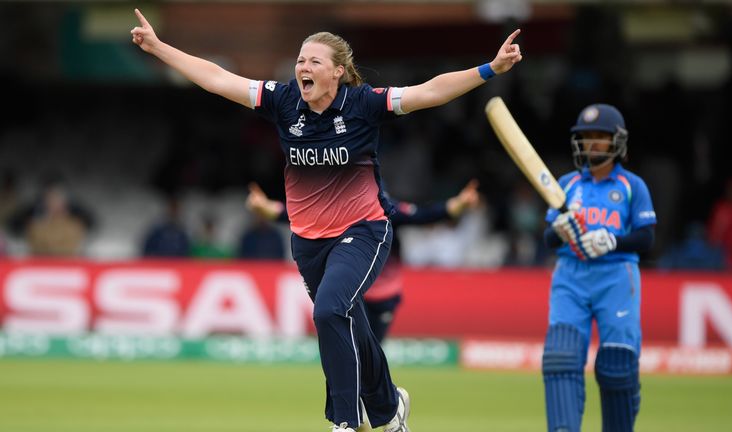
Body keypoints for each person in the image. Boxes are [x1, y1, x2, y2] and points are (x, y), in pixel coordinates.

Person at [131, 9, 522, 432]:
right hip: (308, 241)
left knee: (329, 311)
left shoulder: (364, 103)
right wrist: (159, 47)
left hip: (364, 231)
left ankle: (344, 422)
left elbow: (430, 92)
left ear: (338, 72)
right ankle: (390, 409)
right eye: (300, 60)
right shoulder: (283, 102)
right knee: (349, 320)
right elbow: (216, 78)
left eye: (314, 61)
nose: (303, 67)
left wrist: (490, 68)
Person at [541, 104, 656, 432]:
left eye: (600, 137)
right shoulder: (566, 184)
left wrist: (613, 242)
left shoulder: (633, 185)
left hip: (616, 276)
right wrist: (560, 230)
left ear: (617, 141)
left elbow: (647, 238)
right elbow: (549, 238)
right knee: (560, 359)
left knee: (617, 367)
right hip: (570, 275)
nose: (591, 143)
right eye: (586, 136)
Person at [246, 180, 480, 341]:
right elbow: (295, 213)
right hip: (353, 295)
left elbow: (425, 214)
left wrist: (460, 204)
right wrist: (265, 207)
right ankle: (357, 405)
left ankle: (372, 403)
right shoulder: (340, 210)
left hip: (384, 296)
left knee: (371, 351)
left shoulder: (387, 209)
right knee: (352, 350)